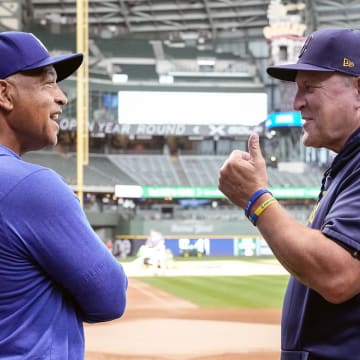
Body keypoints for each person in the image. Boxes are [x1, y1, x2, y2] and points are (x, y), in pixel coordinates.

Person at [218, 28, 360, 359]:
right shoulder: (346, 165)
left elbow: (338, 275)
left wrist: (256, 200)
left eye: (311, 88)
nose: (297, 103)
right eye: (297, 89)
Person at [0, 31, 128, 359]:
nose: (62, 97)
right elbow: (110, 298)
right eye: (48, 82)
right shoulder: (31, 186)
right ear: (4, 93)